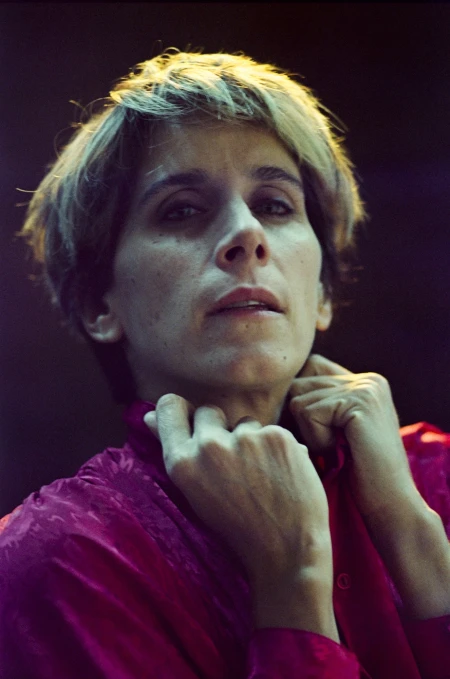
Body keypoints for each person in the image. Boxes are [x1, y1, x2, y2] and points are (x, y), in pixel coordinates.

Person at [0, 50, 449, 679]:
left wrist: (412, 531)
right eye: (181, 209)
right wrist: (292, 584)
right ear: (99, 303)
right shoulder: (58, 556)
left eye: (275, 204)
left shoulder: (437, 474)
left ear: (322, 292)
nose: (246, 233)